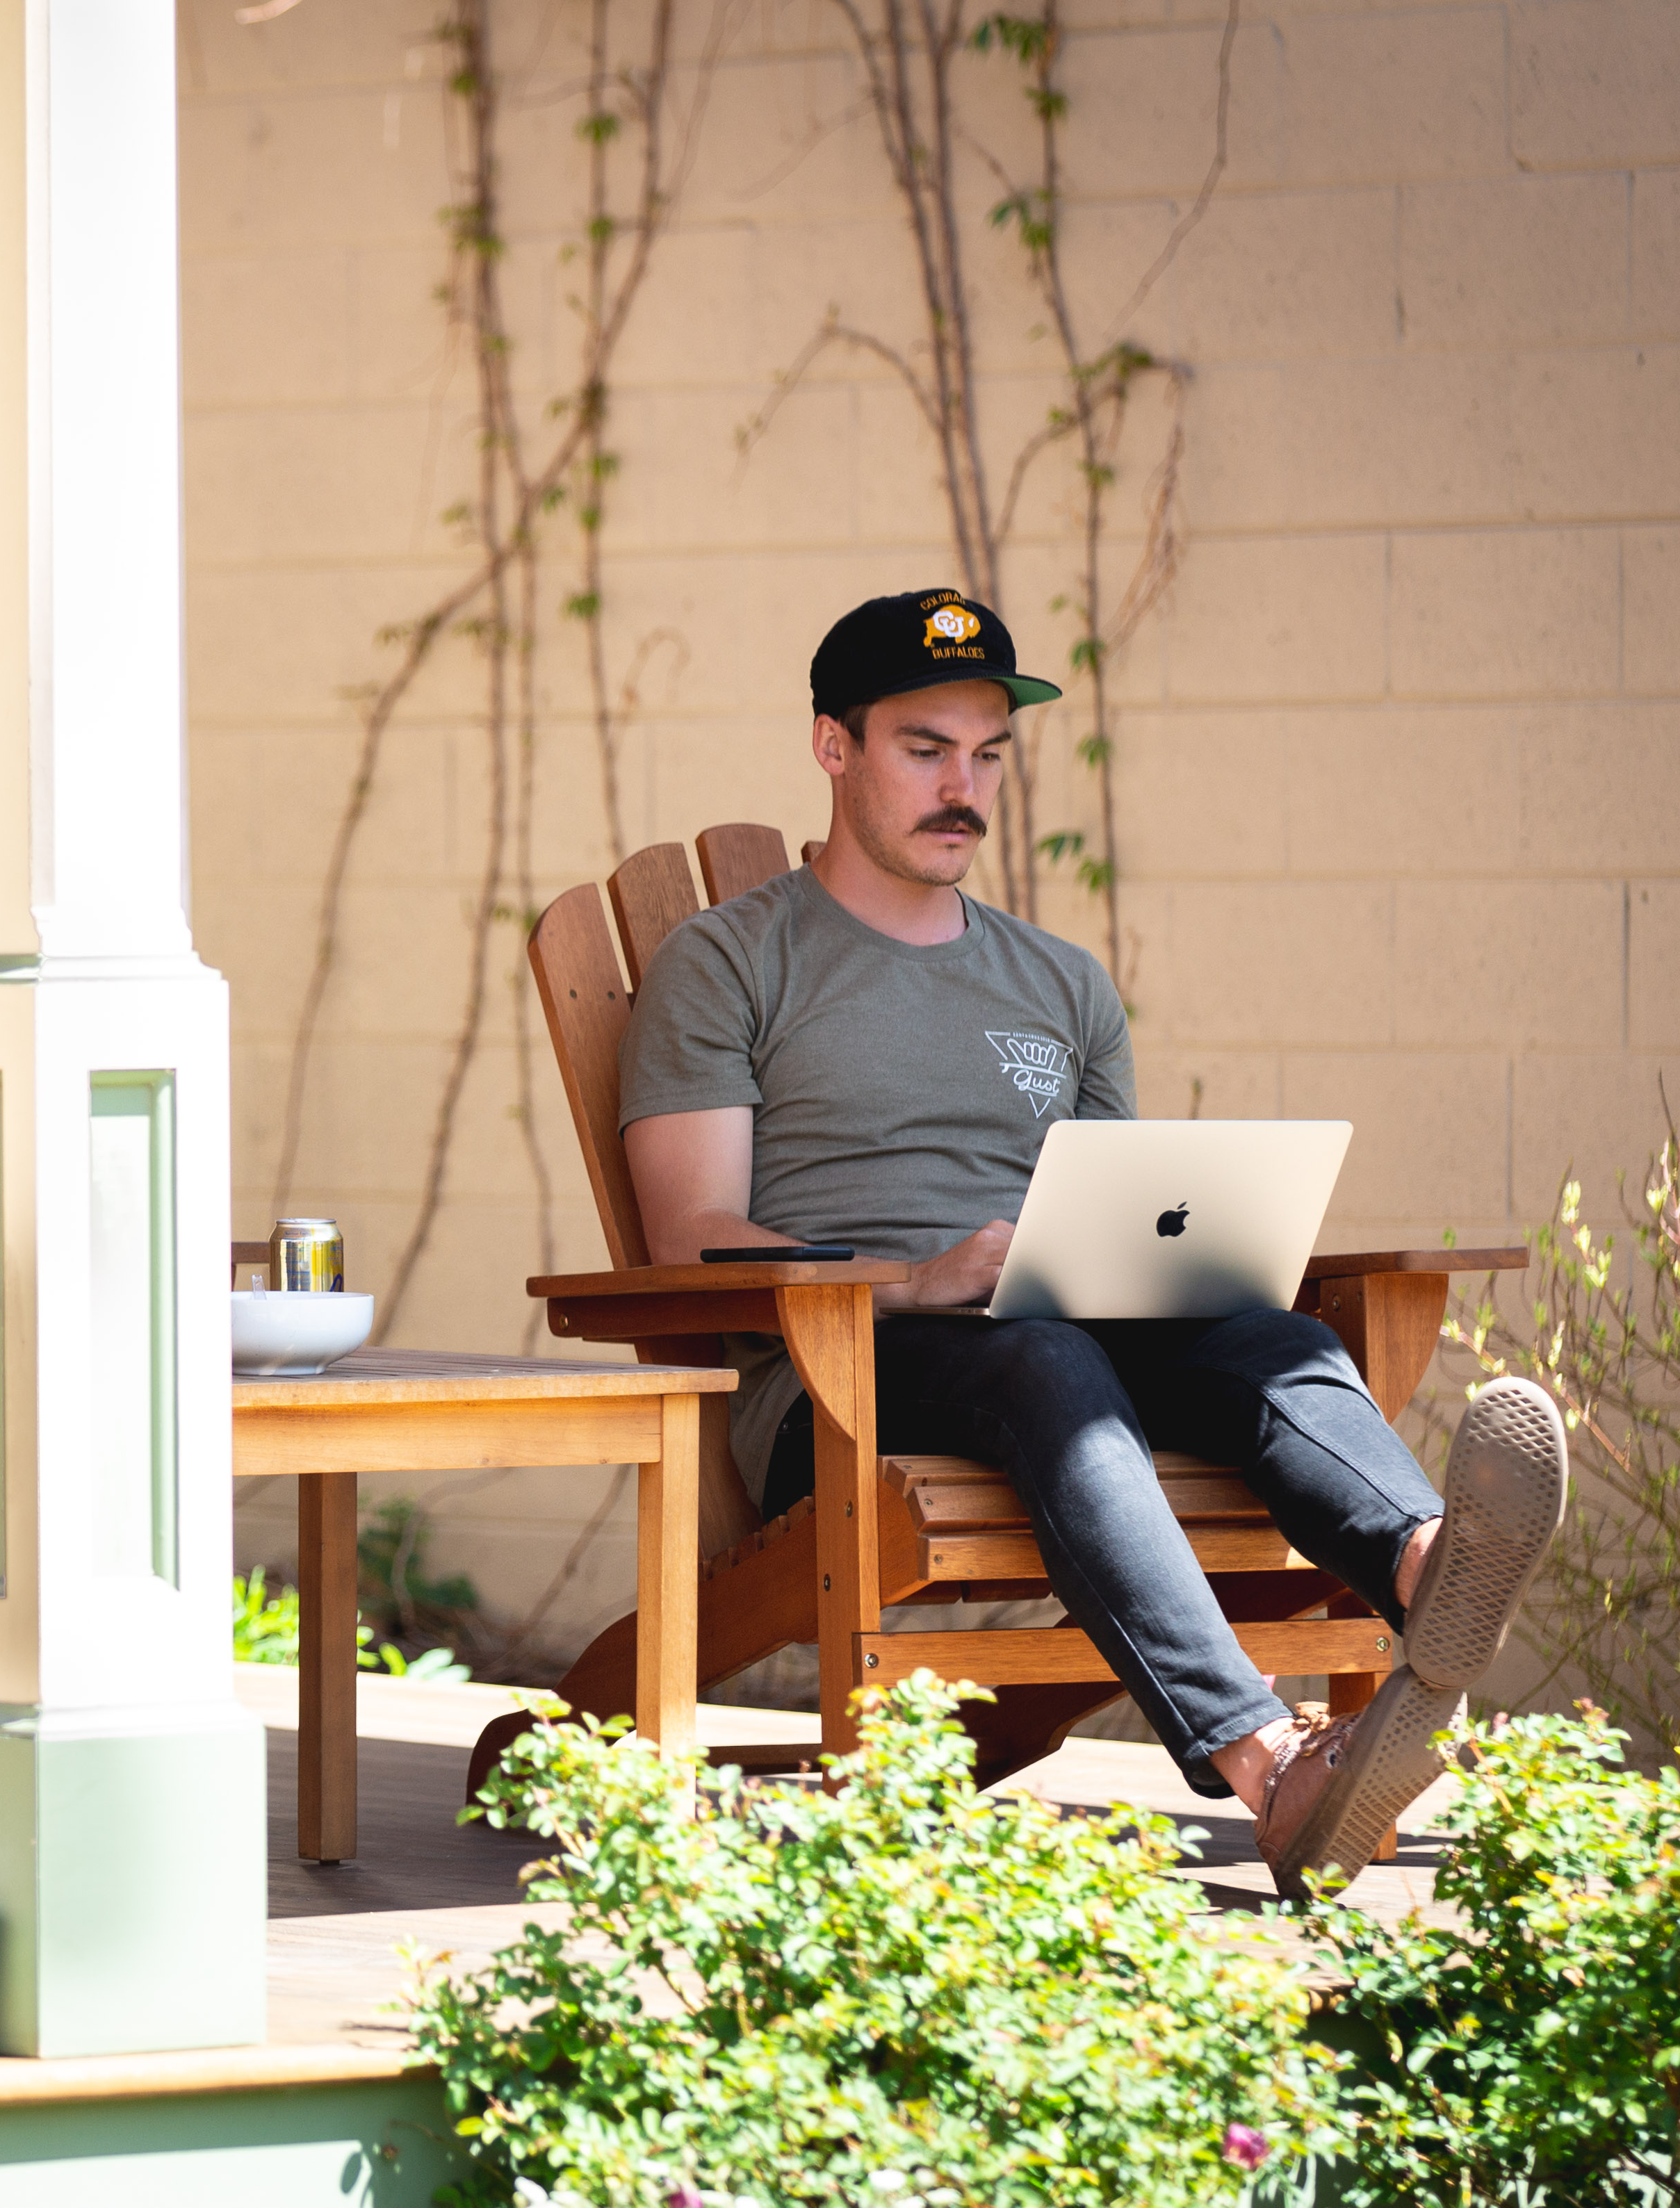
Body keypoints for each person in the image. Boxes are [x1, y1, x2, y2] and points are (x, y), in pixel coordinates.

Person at [617, 588, 1569, 1895]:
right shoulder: (729, 961)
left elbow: (1115, 1199)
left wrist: (1197, 1254)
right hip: (848, 1378)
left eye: (989, 754)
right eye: (924, 747)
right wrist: (919, 1279)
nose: (966, 786)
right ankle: (1273, 1769)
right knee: (1047, 1368)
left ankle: (1429, 1561)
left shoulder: (1060, 983)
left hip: (1068, 1337)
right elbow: (690, 1239)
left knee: (1270, 1340)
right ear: (833, 747)